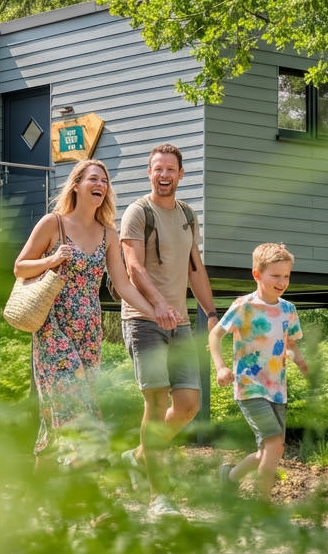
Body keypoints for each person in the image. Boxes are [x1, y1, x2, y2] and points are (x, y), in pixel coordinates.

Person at [13, 159, 160, 467]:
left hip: (89, 332)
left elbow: (122, 285)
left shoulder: (107, 233)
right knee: (74, 400)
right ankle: (91, 466)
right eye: (94, 179)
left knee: (60, 407)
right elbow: (20, 266)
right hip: (54, 329)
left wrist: (153, 311)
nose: (100, 185)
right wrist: (51, 260)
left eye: (104, 182)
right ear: (76, 184)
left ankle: (43, 494)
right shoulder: (53, 223)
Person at [118, 143, 219, 516]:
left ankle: (139, 455)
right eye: (157, 169)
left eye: (170, 169)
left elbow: (195, 269)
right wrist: (158, 304)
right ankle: (157, 497)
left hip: (178, 323)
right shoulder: (137, 213)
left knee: (189, 403)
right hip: (143, 320)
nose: (164, 175)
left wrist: (210, 314)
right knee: (157, 403)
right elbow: (134, 266)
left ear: (180, 174)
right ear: (150, 173)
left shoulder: (189, 215)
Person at [208, 242, 309, 501]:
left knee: (270, 450)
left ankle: (228, 478)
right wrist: (220, 367)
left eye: (286, 275)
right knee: (274, 445)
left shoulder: (288, 310)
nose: (282, 281)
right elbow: (215, 335)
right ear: (257, 275)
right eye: (275, 275)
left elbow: (290, 342)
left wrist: (301, 361)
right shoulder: (244, 307)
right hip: (250, 386)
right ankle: (262, 506)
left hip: (277, 389)